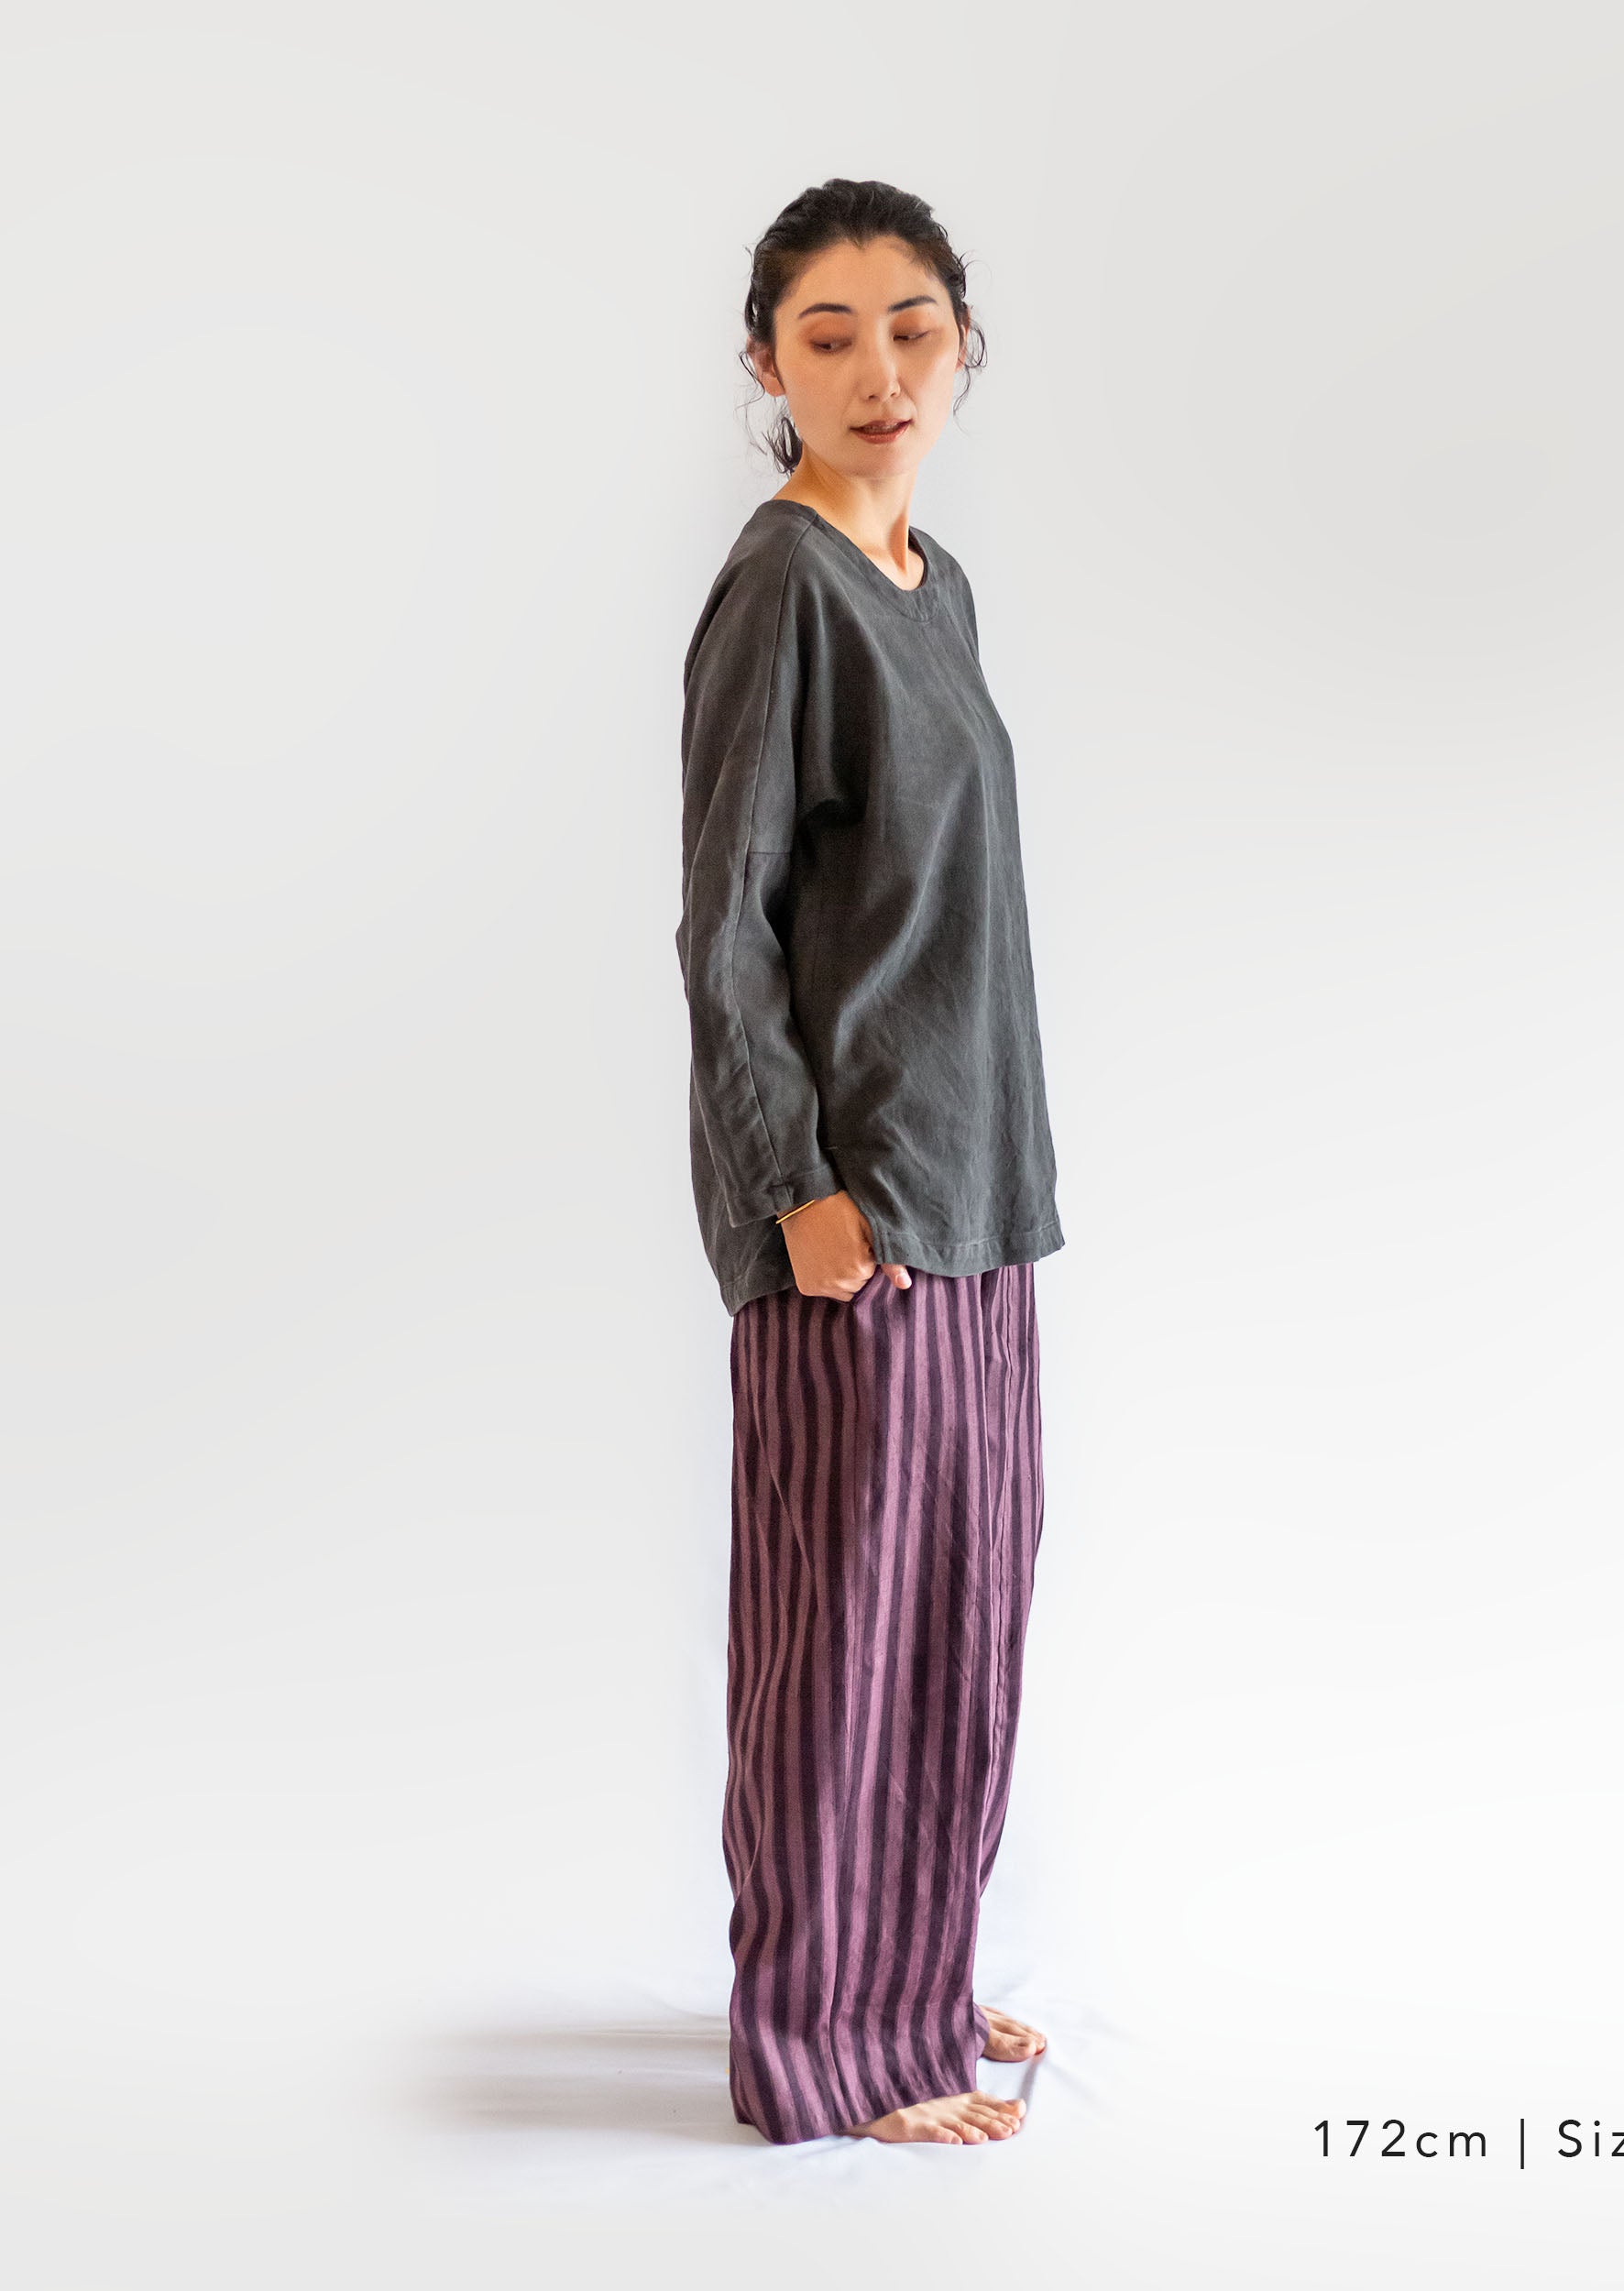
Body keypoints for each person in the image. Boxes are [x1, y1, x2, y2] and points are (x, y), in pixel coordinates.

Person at [675, 178, 1065, 2148]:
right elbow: (723, 925)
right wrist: (792, 1189)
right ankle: (831, 2035)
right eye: (827, 335)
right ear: (767, 362)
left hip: (980, 1183)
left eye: (911, 326)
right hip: (859, 1206)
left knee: (963, 1604)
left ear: (962, 343)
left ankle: (906, 1960)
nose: (878, 368)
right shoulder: (785, 586)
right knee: (846, 1627)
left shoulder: (934, 581)